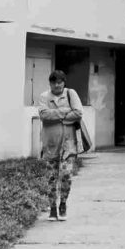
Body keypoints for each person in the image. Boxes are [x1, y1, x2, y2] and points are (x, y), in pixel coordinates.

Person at [38, 70, 83, 221]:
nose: (57, 85)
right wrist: (64, 112)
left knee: (66, 176)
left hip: (68, 145)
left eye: (60, 82)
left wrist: (56, 116)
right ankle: (52, 208)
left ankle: (63, 203)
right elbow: (44, 115)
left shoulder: (71, 94)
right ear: (50, 83)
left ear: (64, 82)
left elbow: (78, 113)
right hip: (50, 145)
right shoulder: (44, 97)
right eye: (54, 82)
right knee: (51, 177)